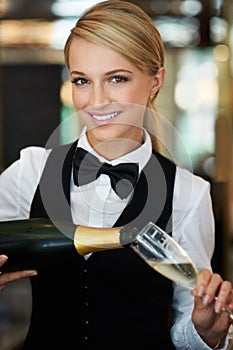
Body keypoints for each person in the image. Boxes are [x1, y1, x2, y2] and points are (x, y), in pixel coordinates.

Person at [0, 1, 232, 349]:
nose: (96, 100)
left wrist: (208, 333)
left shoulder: (188, 193)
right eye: (82, 80)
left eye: (117, 79)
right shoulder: (30, 171)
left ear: (156, 81)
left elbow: (187, 328)